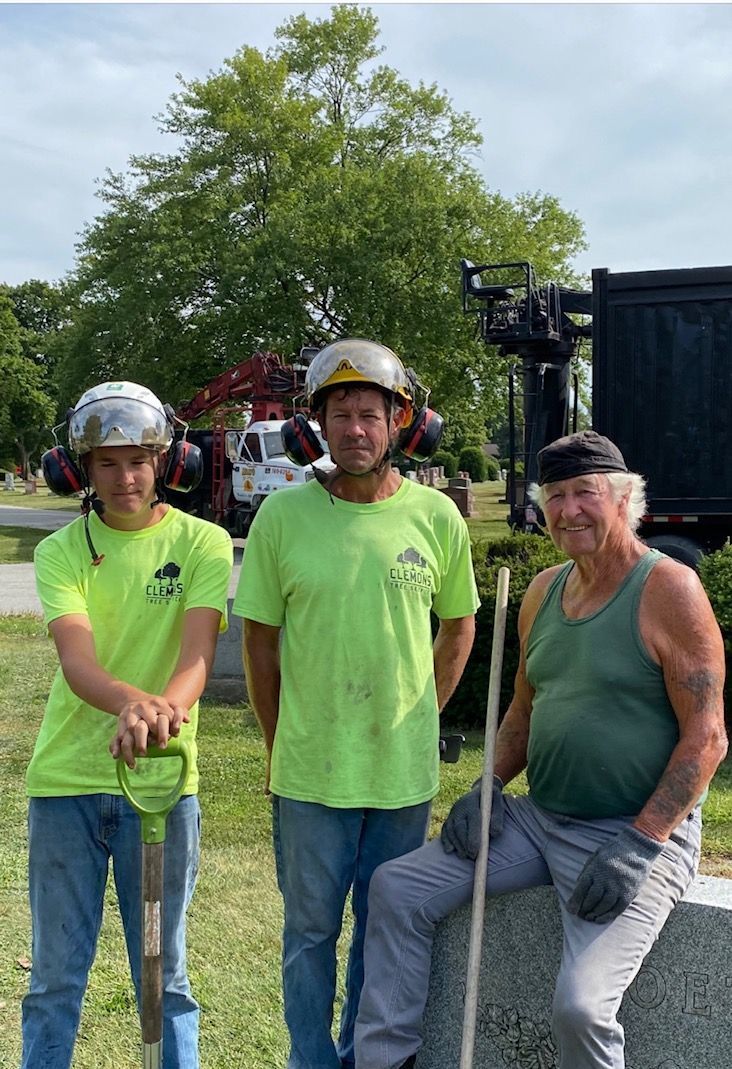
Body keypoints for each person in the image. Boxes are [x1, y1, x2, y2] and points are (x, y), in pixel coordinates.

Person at [355, 429, 728, 1069]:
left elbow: (708, 735)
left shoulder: (669, 589)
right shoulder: (544, 591)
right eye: (555, 496)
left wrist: (642, 842)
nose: (569, 509)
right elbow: (526, 710)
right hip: (539, 819)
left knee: (581, 1007)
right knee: (397, 888)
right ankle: (388, 1060)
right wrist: (489, 784)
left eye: (586, 492)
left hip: (634, 833)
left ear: (624, 500)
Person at [232, 338, 480, 1069]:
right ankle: (311, 1060)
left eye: (370, 413)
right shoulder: (281, 519)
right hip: (310, 774)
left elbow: (460, 626)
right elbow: (260, 645)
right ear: (318, 426)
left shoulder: (436, 518)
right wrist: (282, 741)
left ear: (400, 420)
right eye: (340, 414)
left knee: (385, 928)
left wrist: (422, 714)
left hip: (401, 776)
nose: (356, 429)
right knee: (309, 933)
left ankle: (364, 1057)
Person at [22, 381, 233, 1069]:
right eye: (107, 462)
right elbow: (78, 660)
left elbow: (197, 655)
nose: (125, 477)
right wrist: (135, 708)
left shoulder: (203, 542)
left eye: (139, 458)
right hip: (66, 787)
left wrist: (157, 716)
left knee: (163, 975)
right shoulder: (61, 553)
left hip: (165, 792)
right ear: (80, 467)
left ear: (168, 460)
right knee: (55, 976)